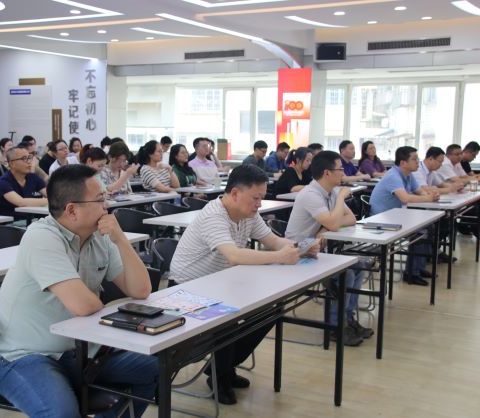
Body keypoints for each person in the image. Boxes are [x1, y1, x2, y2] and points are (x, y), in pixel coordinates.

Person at [0, 164, 157, 418]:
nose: (106, 206)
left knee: (155, 368)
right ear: (71, 210)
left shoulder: (100, 236)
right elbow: (83, 306)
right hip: (26, 356)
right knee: (62, 413)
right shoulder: (41, 237)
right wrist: (98, 303)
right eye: (99, 199)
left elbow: (141, 290)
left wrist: (121, 239)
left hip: (82, 352)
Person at [169, 164, 319, 405]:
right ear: (235, 193)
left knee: (270, 309)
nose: (259, 204)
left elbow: (273, 241)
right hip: (187, 290)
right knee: (227, 319)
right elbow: (234, 256)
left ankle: (224, 367)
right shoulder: (213, 215)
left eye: (261, 198)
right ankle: (220, 376)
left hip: (220, 283)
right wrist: (280, 256)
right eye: (256, 198)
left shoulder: (248, 214)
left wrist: (301, 248)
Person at [285, 150, 373, 346]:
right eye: (340, 169)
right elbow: (335, 223)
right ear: (327, 173)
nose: (343, 173)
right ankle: (336, 327)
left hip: (317, 247)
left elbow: (351, 219)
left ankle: (347, 319)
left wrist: (325, 228)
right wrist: (340, 200)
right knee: (344, 275)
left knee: (358, 266)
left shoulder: (331, 191)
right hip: (297, 249)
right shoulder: (311, 194)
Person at [370, 146, 439, 285]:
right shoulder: (393, 176)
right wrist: (428, 198)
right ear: (403, 163)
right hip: (381, 219)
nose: (418, 162)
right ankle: (411, 273)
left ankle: (418, 268)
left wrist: (430, 195)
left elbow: (419, 191)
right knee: (421, 232)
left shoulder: (408, 175)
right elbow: (405, 198)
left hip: (396, 216)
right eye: (414, 159)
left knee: (428, 227)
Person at [0, 146, 47, 217]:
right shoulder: (4, 181)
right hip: (10, 221)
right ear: (12, 163)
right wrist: (51, 201)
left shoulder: (32, 177)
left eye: (29, 157)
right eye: (24, 158)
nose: (29, 162)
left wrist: (54, 198)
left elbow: (49, 194)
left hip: (30, 219)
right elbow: (21, 202)